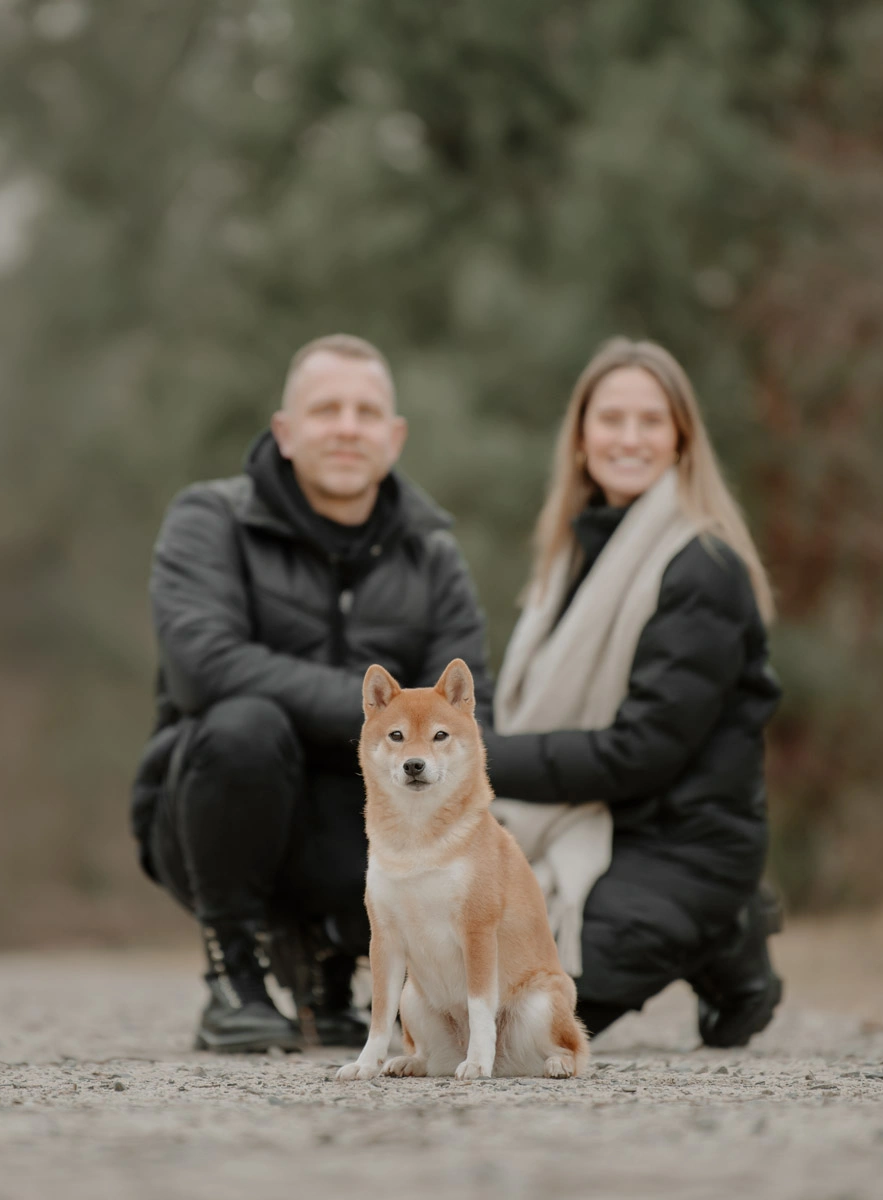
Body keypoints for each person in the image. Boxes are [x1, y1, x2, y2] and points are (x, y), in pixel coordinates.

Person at [131, 334, 492, 1053]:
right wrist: (377, 712)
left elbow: (468, 721)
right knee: (244, 725)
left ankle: (332, 961)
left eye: (366, 412)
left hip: (363, 824)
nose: (348, 426)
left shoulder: (434, 555)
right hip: (212, 810)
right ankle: (235, 971)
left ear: (394, 438)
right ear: (285, 432)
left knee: (429, 778)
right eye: (326, 409)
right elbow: (204, 667)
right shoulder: (209, 521)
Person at [482, 337, 783, 1047]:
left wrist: (481, 761)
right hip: (590, 830)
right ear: (581, 438)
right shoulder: (571, 556)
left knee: (519, 1027)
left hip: (682, 845)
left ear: (681, 439)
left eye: (651, 421)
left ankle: (725, 925)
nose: (629, 438)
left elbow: (640, 752)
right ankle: (712, 940)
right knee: (449, 999)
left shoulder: (702, 566)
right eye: (610, 419)